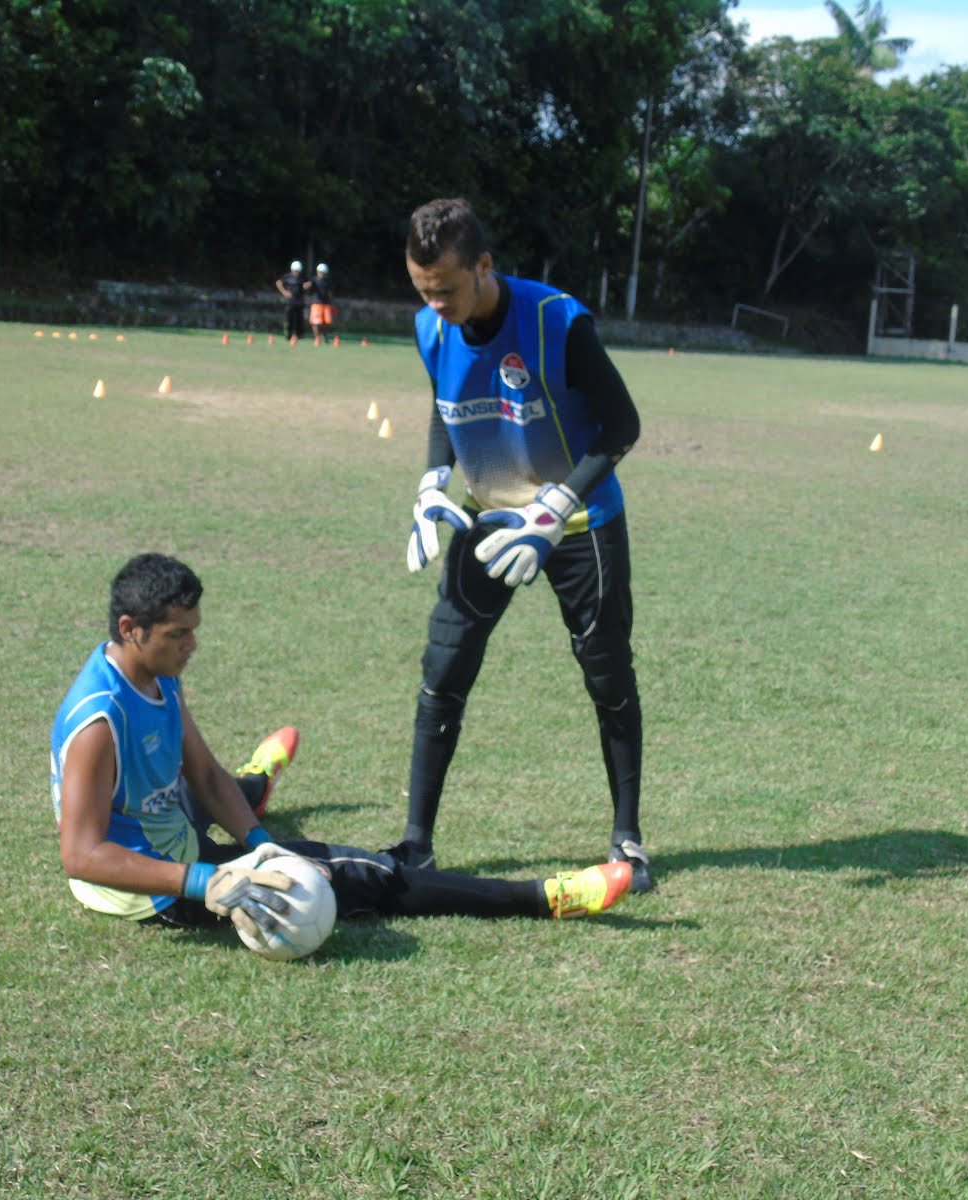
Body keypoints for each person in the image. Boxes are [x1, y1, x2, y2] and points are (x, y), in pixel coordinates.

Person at [50, 552, 634, 939]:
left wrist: (257, 844)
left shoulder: (155, 673)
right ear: (131, 630)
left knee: (219, 791)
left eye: (194, 630)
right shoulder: (99, 723)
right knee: (361, 872)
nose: (192, 645)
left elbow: (201, 773)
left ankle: (257, 785)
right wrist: (204, 882)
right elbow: (80, 854)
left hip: (165, 821)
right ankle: (543, 897)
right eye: (179, 635)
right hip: (147, 887)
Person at [393, 196, 653, 893]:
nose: (435, 304)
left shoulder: (554, 320)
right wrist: (429, 482)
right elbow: (448, 407)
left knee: (606, 676)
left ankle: (628, 838)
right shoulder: (429, 327)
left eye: (446, 288)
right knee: (442, 670)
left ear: (484, 265)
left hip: (578, 524)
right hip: (486, 521)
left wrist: (559, 502)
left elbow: (622, 424)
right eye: (423, 291)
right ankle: (416, 843)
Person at [274, 259, 309, 342]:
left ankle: (299, 336)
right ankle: (288, 335)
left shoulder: (303, 277)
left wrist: (307, 287)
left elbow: (309, 284)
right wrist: (284, 292)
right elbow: (278, 283)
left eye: (298, 271)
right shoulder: (287, 277)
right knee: (289, 319)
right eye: (295, 271)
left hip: (300, 301)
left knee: (299, 320)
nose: (297, 272)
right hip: (290, 302)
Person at [309, 262, 337, 344]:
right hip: (316, 304)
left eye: (323, 273)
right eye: (320, 272)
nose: (321, 274)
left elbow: (330, 293)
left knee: (327, 322)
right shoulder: (313, 280)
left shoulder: (327, 282)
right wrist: (307, 286)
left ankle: (325, 336)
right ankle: (317, 338)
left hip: (326, 304)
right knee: (316, 322)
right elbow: (308, 288)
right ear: (317, 272)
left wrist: (332, 303)